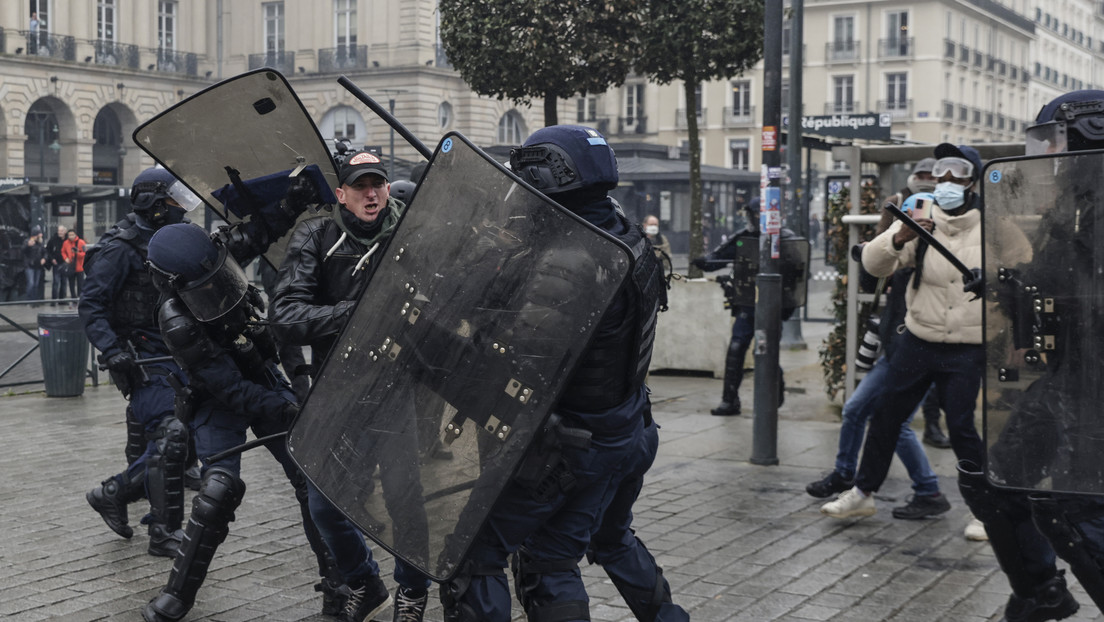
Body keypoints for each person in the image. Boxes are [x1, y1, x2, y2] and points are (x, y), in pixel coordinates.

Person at [437, 125, 687, 622]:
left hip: (571, 448)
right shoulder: (620, 235)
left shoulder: (569, 260)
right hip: (623, 431)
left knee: (476, 556)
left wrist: (435, 353)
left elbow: (519, 369)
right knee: (567, 553)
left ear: (547, 176)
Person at [819, 144, 1032, 536]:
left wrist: (996, 287)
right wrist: (898, 238)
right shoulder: (921, 217)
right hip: (920, 338)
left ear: (972, 180)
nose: (947, 180)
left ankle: (987, 511)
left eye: (957, 171)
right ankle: (863, 493)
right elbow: (874, 265)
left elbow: (1022, 274)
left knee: (962, 426)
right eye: (941, 171)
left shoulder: (995, 225)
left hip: (968, 344)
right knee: (886, 415)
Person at [957, 89, 1104, 622]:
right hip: (1070, 378)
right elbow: (1065, 289)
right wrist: (1011, 290)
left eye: (1052, 140)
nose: (1044, 155)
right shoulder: (1075, 203)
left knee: (1074, 506)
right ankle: (1041, 593)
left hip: (1096, 389)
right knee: (992, 478)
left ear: (1088, 134)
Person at [139, 223, 336, 622]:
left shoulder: (217, 263)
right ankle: (177, 596)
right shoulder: (176, 319)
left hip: (260, 373)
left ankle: (343, 583)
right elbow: (230, 391)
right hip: (217, 398)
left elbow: (257, 241)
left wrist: (284, 208)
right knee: (218, 490)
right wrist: (288, 410)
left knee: (311, 475)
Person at [270, 150, 432, 622]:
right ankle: (365, 582)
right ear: (341, 194)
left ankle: (413, 593)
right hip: (336, 389)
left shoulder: (413, 235)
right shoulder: (316, 237)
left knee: (406, 498)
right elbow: (284, 315)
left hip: (398, 387)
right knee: (323, 503)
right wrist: (356, 315)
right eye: (360, 185)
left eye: (378, 183)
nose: (371, 192)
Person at [80, 167, 202, 558]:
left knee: (186, 437)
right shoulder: (120, 248)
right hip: (141, 357)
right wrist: (112, 350)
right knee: (171, 437)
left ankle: (111, 494)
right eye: (174, 201)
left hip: (177, 352)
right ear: (152, 204)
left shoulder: (176, 242)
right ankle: (164, 532)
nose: (182, 208)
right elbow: (91, 306)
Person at [806, 192, 951, 521]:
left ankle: (928, 490)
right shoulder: (904, 247)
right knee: (858, 410)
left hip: (916, 352)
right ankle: (848, 475)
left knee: (891, 421)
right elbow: (870, 267)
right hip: (896, 351)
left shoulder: (934, 256)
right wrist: (893, 227)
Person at [690, 199, 790, 417]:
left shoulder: (785, 239)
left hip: (772, 306)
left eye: (753, 215)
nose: (750, 219)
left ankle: (774, 393)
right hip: (747, 303)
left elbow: (797, 272)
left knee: (766, 352)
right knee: (736, 349)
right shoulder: (744, 237)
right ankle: (730, 400)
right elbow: (720, 257)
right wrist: (703, 262)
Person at [882, 158, 952, 450]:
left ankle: (931, 423)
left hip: (933, 286)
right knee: (900, 352)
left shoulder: (947, 205)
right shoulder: (897, 201)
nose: (925, 180)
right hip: (902, 288)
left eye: (930, 175)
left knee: (932, 357)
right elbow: (882, 244)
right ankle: (901, 420)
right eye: (921, 175)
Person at [22, 225, 45, 303]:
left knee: (36, 284)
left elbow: (44, 252)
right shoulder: (28, 241)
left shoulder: (40, 243)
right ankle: (28, 300)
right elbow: (23, 251)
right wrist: (28, 246)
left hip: (37, 266)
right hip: (29, 265)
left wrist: (44, 258)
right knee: (31, 283)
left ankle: (34, 300)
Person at [61, 228, 86, 299]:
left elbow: (84, 253)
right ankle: (73, 298)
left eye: (72, 235)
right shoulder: (65, 243)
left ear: (75, 235)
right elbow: (63, 251)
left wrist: (77, 253)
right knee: (71, 285)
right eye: (69, 235)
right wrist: (66, 258)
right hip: (71, 267)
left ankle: (81, 298)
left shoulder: (81, 242)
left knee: (80, 285)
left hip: (79, 267)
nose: (71, 236)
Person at [45, 225, 67, 303]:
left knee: (64, 282)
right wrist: (52, 259)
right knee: (56, 282)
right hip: (56, 264)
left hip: (65, 263)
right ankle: (54, 300)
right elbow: (47, 250)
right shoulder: (53, 239)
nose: (60, 232)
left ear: (65, 231)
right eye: (59, 231)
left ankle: (62, 300)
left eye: (61, 231)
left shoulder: (67, 240)